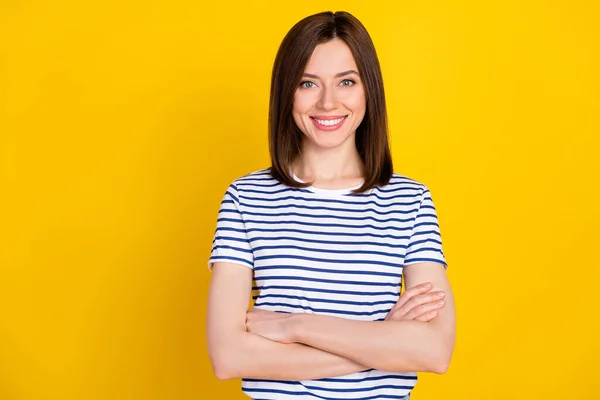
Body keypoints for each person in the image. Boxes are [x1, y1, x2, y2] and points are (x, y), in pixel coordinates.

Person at [206, 10, 456, 400]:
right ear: (287, 90)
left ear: (367, 89)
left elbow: (435, 351)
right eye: (308, 83)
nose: (328, 102)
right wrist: (385, 342)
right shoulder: (246, 197)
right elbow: (228, 356)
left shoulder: (410, 201)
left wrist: (294, 326)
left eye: (346, 82)